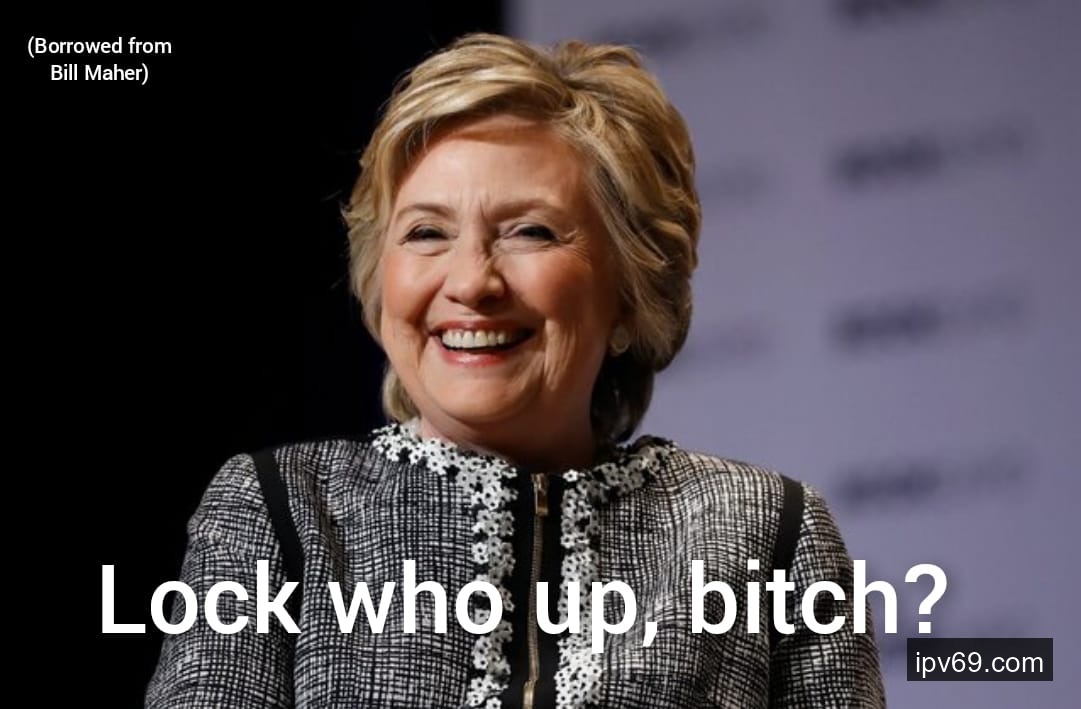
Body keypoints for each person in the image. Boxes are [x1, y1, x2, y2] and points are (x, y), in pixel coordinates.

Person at [146, 32, 885, 708]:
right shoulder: (283, 512)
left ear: (629, 292)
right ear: (379, 283)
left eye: (530, 231)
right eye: (426, 232)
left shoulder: (764, 530)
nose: (472, 281)